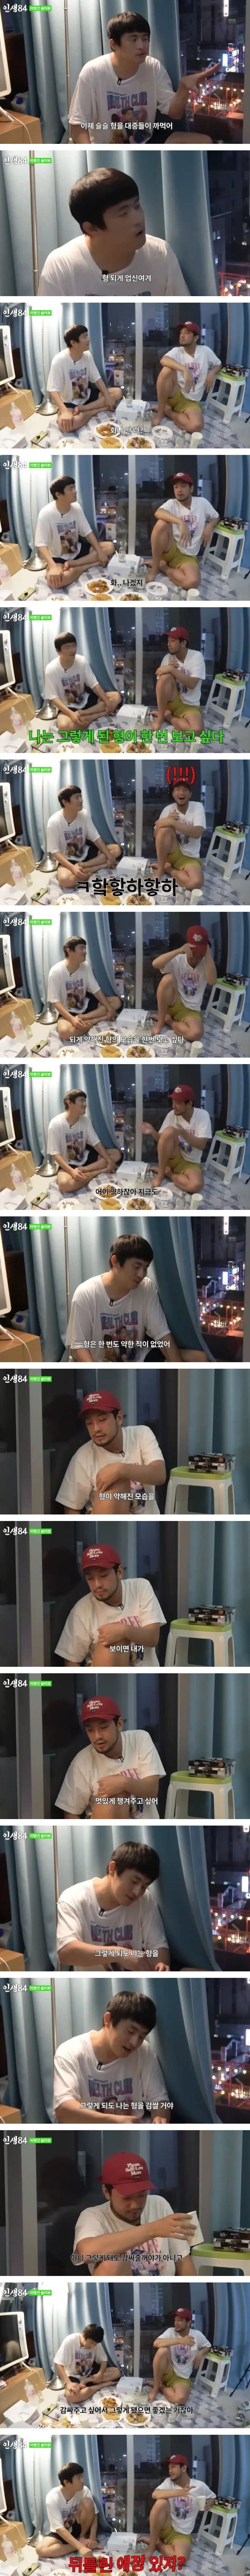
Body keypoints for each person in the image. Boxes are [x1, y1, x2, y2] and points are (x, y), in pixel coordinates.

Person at [38, 169, 188, 299]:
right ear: (92, 229)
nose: (138, 219)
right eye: (123, 214)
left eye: (137, 206)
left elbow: (183, 309)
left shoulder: (160, 253)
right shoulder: (62, 265)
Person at [65, 1228, 201, 1361]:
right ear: (115, 1262)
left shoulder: (146, 1288)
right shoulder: (86, 1294)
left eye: (146, 1268)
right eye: (137, 1267)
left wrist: (177, 1367)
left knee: (202, 1359)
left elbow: (162, 1334)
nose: (142, 1275)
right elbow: (80, 1346)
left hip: (140, 1357)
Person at [69, 9, 204, 144]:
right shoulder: (93, 72)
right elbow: (77, 123)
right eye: (134, 40)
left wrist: (184, 88)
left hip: (146, 140)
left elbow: (175, 114)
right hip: (109, 146)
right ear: (114, 45)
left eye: (145, 39)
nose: (142, 46)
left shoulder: (154, 67)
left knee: (205, 142)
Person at [72, 2147, 200, 2274]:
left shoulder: (159, 2204)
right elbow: (86, 2253)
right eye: (126, 2198)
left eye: (142, 2195)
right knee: (113, 2259)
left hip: (163, 2285)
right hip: (122, 2285)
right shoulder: (94, 2216)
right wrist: (154, 2229)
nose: (135, 2205)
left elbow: (183, 2261)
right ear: (107, 2192)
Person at [53, 1989, 169, 2123]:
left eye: (142, 2037)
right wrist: (116, 2122)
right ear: (108, 2020)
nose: (135, 2043)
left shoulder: (143, 2051)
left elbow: (159, 2099)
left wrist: (161, 2119)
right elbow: (63, 2109)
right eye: (131, 2032)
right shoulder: (71, 2052)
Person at [56, 1838, 169, 1969]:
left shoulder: (145, 1900)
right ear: (113, 1869)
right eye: (134, 1881)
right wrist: (120, 1954)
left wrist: (161, 1964)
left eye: (144, 1886)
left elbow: (158, 1947)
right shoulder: (74, 1898)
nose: (138, 1892)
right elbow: (66, 1952)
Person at [55, 1689, 166, 1819]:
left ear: (119, 1724)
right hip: (104, 1825)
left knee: (118, 1792)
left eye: (104, 1728)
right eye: (90, 1730)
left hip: (145, 1825)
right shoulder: (82, 1762)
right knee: (110, 1799)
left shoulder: (140, 1740)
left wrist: (123, 1783)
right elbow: (71, 1812)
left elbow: (152, 1790)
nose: (97, 1736)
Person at [55, 1537, 166, 1666]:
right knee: (113, 1644)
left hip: (144, 1674)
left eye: (104, 1576)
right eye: (90, 1578)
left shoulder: (140, 1588)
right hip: (105, 1675)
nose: (97, 1585)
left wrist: (123, 1630)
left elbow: (153, 1638)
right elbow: (72, 1662)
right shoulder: (81, 1611)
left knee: (117, 1639)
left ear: (119, 1572)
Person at [56, 1386, 166, 1513]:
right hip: (106, 1522)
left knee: (118, 1479)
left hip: (146, 1522)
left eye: (102, 1420)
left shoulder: (141, 1435)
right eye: (90, 1423)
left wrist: (120, 1470)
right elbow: (72, 1510)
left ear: (119, 1418)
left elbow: (160, 1475)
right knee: (115, 1486)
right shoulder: (82, 1458)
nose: (96, 1429)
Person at [35, 473, 113, 593]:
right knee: (56, 582)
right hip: (58, 556)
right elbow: (42, 545)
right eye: (71, 489)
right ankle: (85, 566)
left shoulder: (76, 507)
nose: (75, 492)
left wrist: (101, 553)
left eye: (74, 488)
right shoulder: (46, 514)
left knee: (110, 547)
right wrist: (53, 567)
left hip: (78, 550)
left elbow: (88, 533)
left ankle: (74, 564)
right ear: (59, 495)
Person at [147, 471, 218, 591]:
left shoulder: (202, 503)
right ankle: (155, 568)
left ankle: (163, 566)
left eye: (183, 486)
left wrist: (210, 527)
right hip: (171, 547)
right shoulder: (172, 503)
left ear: (192, 489)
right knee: (162, 523)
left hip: (188, 555)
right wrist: (181, 522)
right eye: (176, 487)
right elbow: (159, 513)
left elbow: (216, 517)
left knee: (193, 582)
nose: (179, 490)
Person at [44, 629, 122, 736]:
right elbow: (54, 698)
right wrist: (71, 715)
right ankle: (101, 713)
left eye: (74, 646)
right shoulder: (51, 669)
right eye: (68, 647)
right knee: (64, 728)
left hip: (85, 700)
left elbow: (94, 685)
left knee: (116, 697)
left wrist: (109, 704)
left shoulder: (82, 661)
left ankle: (84, 714)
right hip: (68, 706)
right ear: (58, 651)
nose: (73, 650)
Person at [46, 784, 122, 892]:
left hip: (86, 853)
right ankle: (98, 867)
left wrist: (110, 857)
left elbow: (96, 838)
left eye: (81, 797)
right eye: (77, 798)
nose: (81, 801)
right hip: (68, 859)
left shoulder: (84, 814)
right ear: (65, 802)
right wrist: (73, 868)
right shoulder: (54, 822)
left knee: (116, 849)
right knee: (65, 881)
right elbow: (55, 852)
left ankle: (85, 866)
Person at [46, 321, 118, 434]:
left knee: (117, 393)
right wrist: (65, 411)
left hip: (86, 395)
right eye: (85, 337)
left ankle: (84, 409)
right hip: (70, 401)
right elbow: (53, 390)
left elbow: (97, 379)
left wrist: (109, 397)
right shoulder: (59, 360)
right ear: (73, 343)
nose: (89, 339)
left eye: (87, 336)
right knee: (68, 426)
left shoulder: (87, 355)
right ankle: (95, 411)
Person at [46, 1086, 118, 1198]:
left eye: (85, 1101)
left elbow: (96, 1143)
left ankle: (84, 1170)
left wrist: (110, 1161)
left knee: (116, 1154)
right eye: (82, 1101)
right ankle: (97, 1172)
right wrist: (72, 1172)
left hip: (85, 1158)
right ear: (70, 1103)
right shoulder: (56, 1124)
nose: (85, 1104)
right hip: (68, 1163)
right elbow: (55, 1154)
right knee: (65, 1185)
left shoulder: (86, 1119)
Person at [142, 1080, 211, 1194]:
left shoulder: (203, 1116)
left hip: (191, 1163)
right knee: (169, 1131)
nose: (174, 1106)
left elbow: (202, 1145)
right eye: (173, 1102)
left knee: (196, 1185)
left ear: (189, 1104)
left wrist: (183, 1133)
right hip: (174, 1156)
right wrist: (153, 1132)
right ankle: (161, 1174)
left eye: (178, 1103)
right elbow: (163, 1140)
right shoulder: (172, 1115)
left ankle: (168, 1173)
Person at [47, 938, 120, 1042]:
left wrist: (110, 1009)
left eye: (85, 948)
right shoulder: (56, 972)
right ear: (69, 951)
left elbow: (96, 990)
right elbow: (55, 1002)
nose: (85, 951)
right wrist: (72, 1020)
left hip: (85, 1006)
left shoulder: (86, 966)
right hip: (68, 1011)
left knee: (116, 1002)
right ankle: (97, 1019)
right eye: (82, 948)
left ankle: (85, 1018)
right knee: (65, 1033)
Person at [151, 927, 216, 1042]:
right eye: (193, 954)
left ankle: (169, 1021)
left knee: (196, 1034)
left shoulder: (207, 964)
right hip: (175, 1002)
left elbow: (212, 981)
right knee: (167, 979)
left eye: (200, 956)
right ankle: (161, 1022)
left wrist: (208, 953)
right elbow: (155, 964)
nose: (195, 960)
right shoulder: (179, 959)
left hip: (191, 1010)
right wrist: (179, 951)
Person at [156, 322, 220, 434]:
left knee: (196, 426)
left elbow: (218, 364)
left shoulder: (205, 351)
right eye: (181, 333)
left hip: (192, 400)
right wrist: (185, 370)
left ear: (196, 338)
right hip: (176, 393)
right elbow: (164, 360)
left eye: (187, 333)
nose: (182, 336)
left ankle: (168, 411)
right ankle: (160, 412)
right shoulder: (178, 351)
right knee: (167, 370)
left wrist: (212, 374)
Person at [150, 2457, 215, 2559]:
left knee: (180, 2559)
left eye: (173, 2467)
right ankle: (151, 2546)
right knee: (161, 2502)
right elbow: (155, 2494)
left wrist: (210, 2502)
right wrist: (181, 2492)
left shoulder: (200, 2486)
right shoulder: (169, 2482)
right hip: (167, 2526)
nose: (170, 2471)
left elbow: (213, 2496)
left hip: (182, 2533)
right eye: (169, 2468)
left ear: (184, 2468)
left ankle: (158, 2543)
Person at [152, 626, 206, 739]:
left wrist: (172, 670)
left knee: (197, 731)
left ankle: (168, 717)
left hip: (190, 705)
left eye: (173, 641)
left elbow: (192, 684)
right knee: (165, 677)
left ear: (184, 643)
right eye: (168, 641)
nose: (169, 644)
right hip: (173, 700)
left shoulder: (197, 657)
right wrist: (168, 669)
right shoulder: (168, 658)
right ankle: (161, 717)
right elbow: (161, 683)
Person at [153, 778, 206, 891]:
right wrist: (167, 820)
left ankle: (168, 869)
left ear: (190, 794)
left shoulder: (197, 807)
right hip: (173, 852)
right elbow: (156, 834)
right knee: (164, 829)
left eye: (185, 790)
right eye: (178, 790)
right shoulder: (169, 809)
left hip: (190, 857)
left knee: (196, 883)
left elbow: (197, 833)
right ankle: (161, 869)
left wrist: (172, 823)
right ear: (173, 794)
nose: (181, 793)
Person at [151, 2309, 211, 2405]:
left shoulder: (197, 2335)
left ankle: (160, 2386)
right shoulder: (171, 2332)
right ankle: (155, 2389)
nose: (176, 2323)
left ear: (189, 2323)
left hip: (183, 2377)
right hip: (169, 2371)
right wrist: (180, 2341)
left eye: (180, 2320)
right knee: (162, 2351)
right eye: (175, 2320)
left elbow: (208, 2346)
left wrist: (201, 2353)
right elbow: (156, 2343)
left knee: (181, 2399)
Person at [54, 2323, 119, 2402]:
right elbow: (58, 2363)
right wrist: (68, 2383)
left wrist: (100, 2374)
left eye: (95, 2344)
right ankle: (100, 2386)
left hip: (90, 2375)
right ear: (84, 2335)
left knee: (117, 2372)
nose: (93, 2346)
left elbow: (104, 2360)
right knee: (72, 2397)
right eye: (92, 2343)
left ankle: (87, 2381)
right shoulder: (71, 2341)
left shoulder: (96, 2344)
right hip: (73, 2376)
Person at [42, 2464, 98, 2555]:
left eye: (82, 2477)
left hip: (78, 2528)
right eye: (79, 2478)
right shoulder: (53, 2497)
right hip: (62, 2532)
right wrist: (81, 2547)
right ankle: (81, 2544)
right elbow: (59, 2529)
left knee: (88, 2502)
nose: (83, 2481)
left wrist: (92, 2539)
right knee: (41, 2550)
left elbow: (95, 2514)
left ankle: (82, 2537)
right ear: (67, 2482)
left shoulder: (84, 2491)